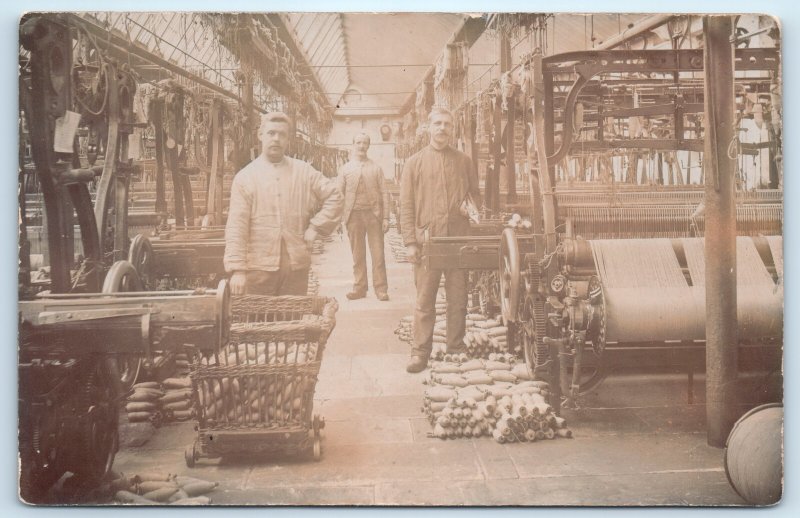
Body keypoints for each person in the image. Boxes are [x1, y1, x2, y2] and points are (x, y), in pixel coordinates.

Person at [224, 112, 343, 296]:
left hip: (295, 267)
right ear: (260, 135)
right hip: (258, 268)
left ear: (289, 139)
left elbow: (335, 195)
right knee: (259, 322)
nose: (276, 139)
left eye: (282, 134)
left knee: (293, 320)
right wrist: (237, 270)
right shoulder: (245, 178)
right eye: (271, 133)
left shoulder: (303, 171)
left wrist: (316, 227)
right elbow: (236, 227)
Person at [400, 107, 480, 373]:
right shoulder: (414, 163)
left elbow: (475, 195)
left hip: (458, 241)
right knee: (425, 300)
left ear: (452, 128)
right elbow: (406, 206)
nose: (442, 128)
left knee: (458, 299)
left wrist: (469, 208)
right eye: (437, 123)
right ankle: (419, 353)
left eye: (447, 124)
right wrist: (411, 242)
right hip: (428, 242)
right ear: (428, 127)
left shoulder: (464, 161)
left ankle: (455, 348)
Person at [338, 132, 390, 301]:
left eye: (364, 143)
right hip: (353, 217)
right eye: (358, 142)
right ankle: (359, 288)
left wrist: (386, 218)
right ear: (353, 144)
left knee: (378, 254)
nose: (361, 146)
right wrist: (339, 219)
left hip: (373, 216)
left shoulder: (376, 168)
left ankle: (381, 289)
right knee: (357, 255)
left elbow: (384, 193)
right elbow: (338, 195)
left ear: (368, 146)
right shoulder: (345, 169)